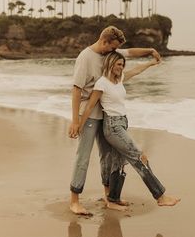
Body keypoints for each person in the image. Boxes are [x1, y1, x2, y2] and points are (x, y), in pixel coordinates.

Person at [68, 26, 161, 215]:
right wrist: (75, 121)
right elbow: (76, 89)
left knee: (107, 158)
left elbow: (130, 53)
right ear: (105, 42)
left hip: (106, 116)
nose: (114, 52)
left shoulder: (111, 51)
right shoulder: (85, 57)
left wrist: (150, 51)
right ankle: (74, 200)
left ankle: (108, 196)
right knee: (83, 158)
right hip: (89, 116)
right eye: (112, 48)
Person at [78, 51, 181, 210]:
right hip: (113, 127)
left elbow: (136, 70)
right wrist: (78, 126)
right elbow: (90, 105)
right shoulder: (102, 83)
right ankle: (160, 196)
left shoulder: (120, 80)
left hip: (122, 123)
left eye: (122, 65)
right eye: (118, 64)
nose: (121, 67)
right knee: (139, 157)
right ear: (110, 64)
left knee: (119, 163)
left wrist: (151, 63)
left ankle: (113, 200)